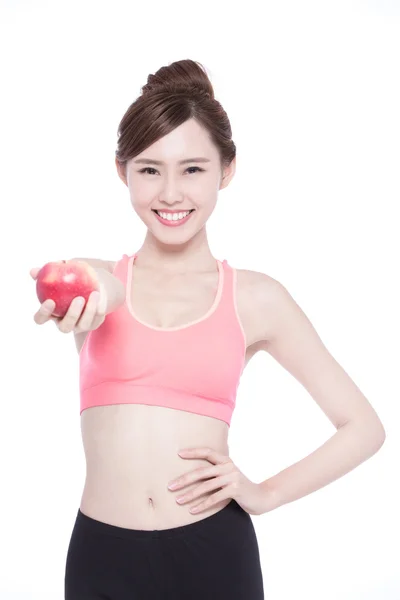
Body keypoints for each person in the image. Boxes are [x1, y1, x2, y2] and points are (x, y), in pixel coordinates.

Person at [30, 59, 385, 600]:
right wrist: (81, 297)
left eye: (192, 169)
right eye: (149, 169)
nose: (171, 193)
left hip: (213, 553)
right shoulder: (97, 280)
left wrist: (265, 493)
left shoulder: (256, 297)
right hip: (102, 554)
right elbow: (111, 293)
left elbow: (362, 426)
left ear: (227, 170)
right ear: (122, 171)